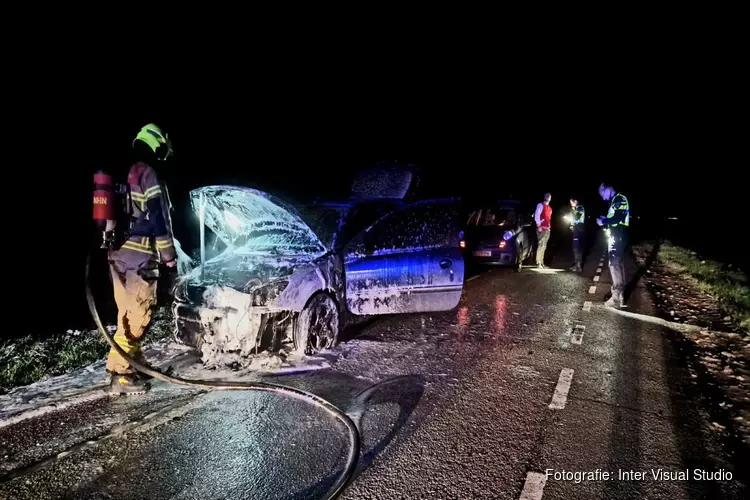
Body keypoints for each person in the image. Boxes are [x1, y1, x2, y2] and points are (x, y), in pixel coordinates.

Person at [107, 123, 177, 395]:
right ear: (157, 145)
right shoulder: (147, 174)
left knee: (126, 313)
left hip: (115, 255)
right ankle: (120, 374)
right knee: (140, 315)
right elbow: (159, 218)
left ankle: (132, 361)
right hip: (139, 256)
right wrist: (169, 257)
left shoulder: (121, 172)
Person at [596, 182, 630, 307]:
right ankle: (620, 296)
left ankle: (616, 296)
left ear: (608, 188)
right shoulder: (615, 200)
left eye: (602, 194)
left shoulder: (620, 198)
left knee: (614, 264)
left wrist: (604, 220)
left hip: (618, 235)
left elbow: (619, 218)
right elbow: (614, 217)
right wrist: (606, 220)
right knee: (618, 264)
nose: (603, 198)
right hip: (617, 234)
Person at [534, 192, 552, 268]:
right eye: (547, 196)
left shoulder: (550, 208)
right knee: (541, 245)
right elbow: (537, 215)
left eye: (549, 196)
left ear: (550, 198)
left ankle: (542, 262)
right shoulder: (540, 205)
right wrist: (539, 225)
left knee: (544, 246)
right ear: (544, 197)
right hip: (541, 229)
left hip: (547, 229)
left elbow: (548, 218)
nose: (548, 197)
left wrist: (549, 228)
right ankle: (538, 263)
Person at [568, 198, 585, 272]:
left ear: (576, 201)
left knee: (576, 248)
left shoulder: (580, 208)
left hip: (579, 230)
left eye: (572, 202)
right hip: (576, 230)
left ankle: (578, 266)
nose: (571, 204)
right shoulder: (575, 208)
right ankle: (577, 265)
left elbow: (576, 217)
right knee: (576, 247)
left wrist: (571, 219)